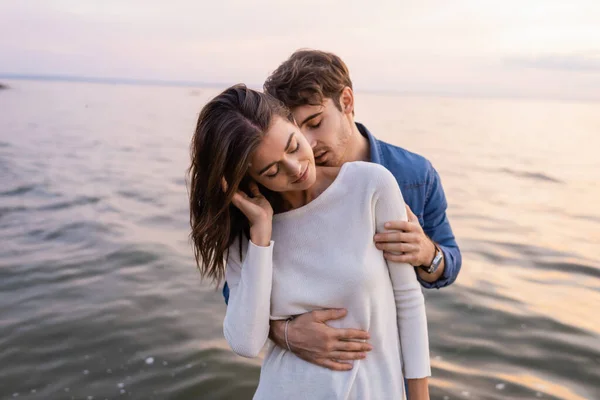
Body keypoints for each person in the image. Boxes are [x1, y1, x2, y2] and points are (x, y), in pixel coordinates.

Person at [222, 49, 462, 370]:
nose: (308, 144)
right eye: (295, 132)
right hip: (309, 372)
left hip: (390, 363)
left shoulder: (414, 176)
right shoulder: (273, 186)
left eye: (316, 123)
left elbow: (448, 265)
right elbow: (237, 292)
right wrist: (285, 332)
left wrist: (427, 253)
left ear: (346, 101)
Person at [189, 85, 431, 399]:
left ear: (294, 124)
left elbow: (408, 299)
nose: (296, 167)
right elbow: (246, 343)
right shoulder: (246, 235)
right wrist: (261, 233)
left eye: (293, 145)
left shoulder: (370, 185)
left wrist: (419, 395)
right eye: (272, 169)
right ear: (249, 181)